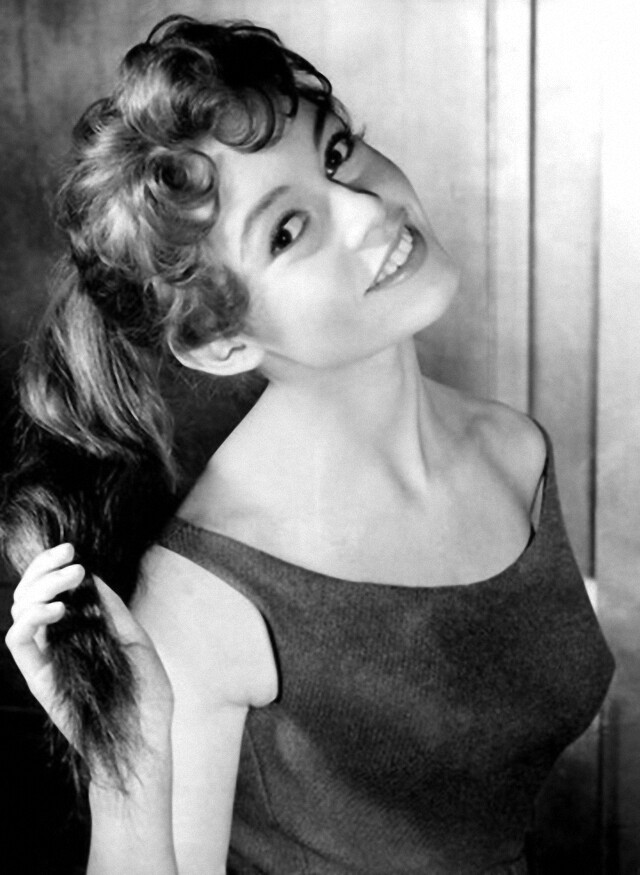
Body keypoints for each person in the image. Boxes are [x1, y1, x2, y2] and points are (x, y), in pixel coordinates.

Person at [2, 14, 614, 875]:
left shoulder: (517, 452)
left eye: (337, 154)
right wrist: (124, 757)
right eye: (288, 231)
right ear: (220, 343)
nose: (367, 209)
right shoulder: (205, 599)